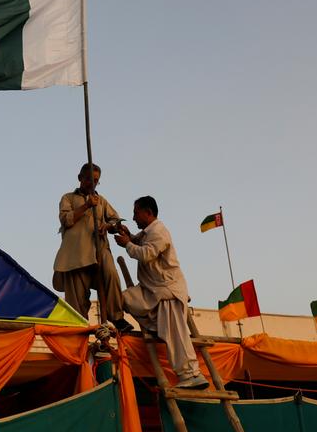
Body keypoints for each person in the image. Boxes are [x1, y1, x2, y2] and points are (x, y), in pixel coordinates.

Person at [114, 196, 208, 389]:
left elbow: (146, 254)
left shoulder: (159, 231)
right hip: (152, 292)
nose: (133, 217)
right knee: (123, 298)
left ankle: (192, 375)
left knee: (176, 335)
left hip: (167, 293)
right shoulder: (148, 232)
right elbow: (137, 241)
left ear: (148, 212)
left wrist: (127, 244)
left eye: (136, 213)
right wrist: (128, 236)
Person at [53, 163, 133, 332]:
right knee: (77, 305)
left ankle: (117, 317)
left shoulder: (101, 201)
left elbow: (116, 220)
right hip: (76, 255)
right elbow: (66, 219)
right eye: (89, 179)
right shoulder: (68, 198)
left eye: (96, 180)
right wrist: (87, 205)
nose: (92, 183)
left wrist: (109, 226)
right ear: (80, 178)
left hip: (99, 249)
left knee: (111, 274)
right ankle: (79, 333)